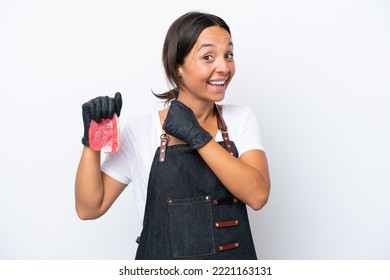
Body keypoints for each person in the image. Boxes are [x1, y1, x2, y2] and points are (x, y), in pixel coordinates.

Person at [75, 11, 270, 260]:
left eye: (228, 55)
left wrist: (196, 135)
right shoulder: (141, 130)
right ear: (178, 67)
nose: (223, 67)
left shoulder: (241, 119)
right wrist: (92, 142)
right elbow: (89, 208)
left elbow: (258, 195)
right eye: (208, 57)